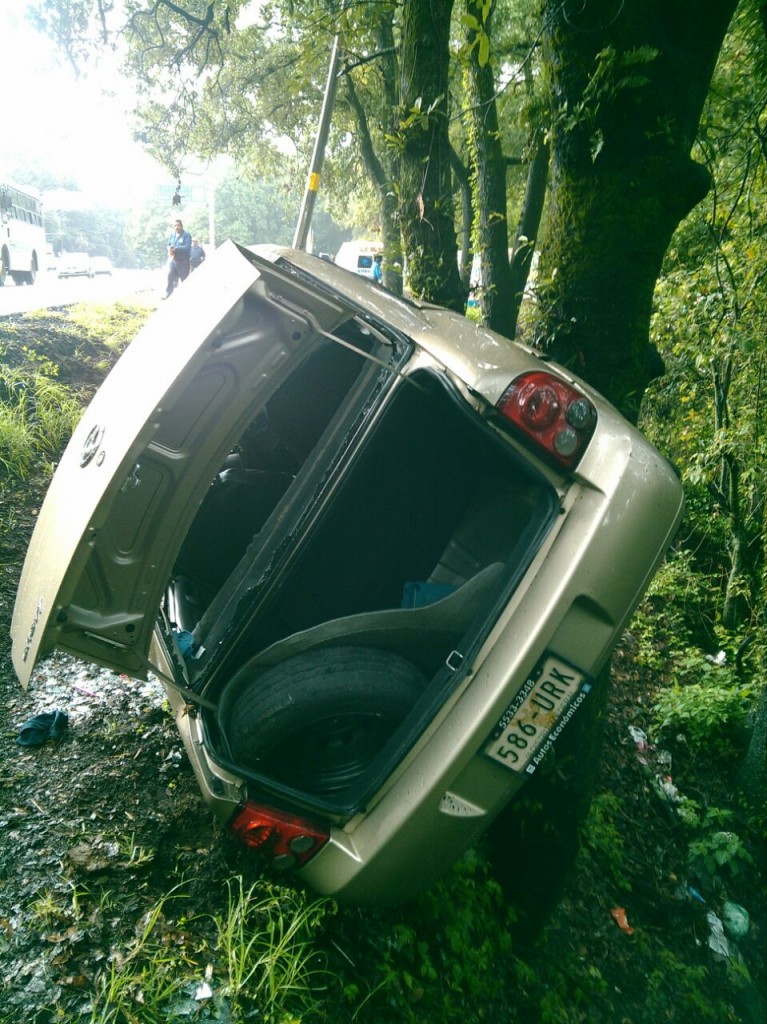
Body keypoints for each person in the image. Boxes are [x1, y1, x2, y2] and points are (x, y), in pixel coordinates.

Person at [163, 219, 192, 297]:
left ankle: (187, 296)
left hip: (183, 262)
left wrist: (176, 248)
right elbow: (168, 244)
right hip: (174, 261)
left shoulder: (186, 235)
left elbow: (187, 247)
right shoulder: (172, 235)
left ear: (181, 226)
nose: (176, 227)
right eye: (175, 225)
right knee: (170, 276)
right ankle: (168, 293)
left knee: (185, 280)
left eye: (178, 225)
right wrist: (169, 248)